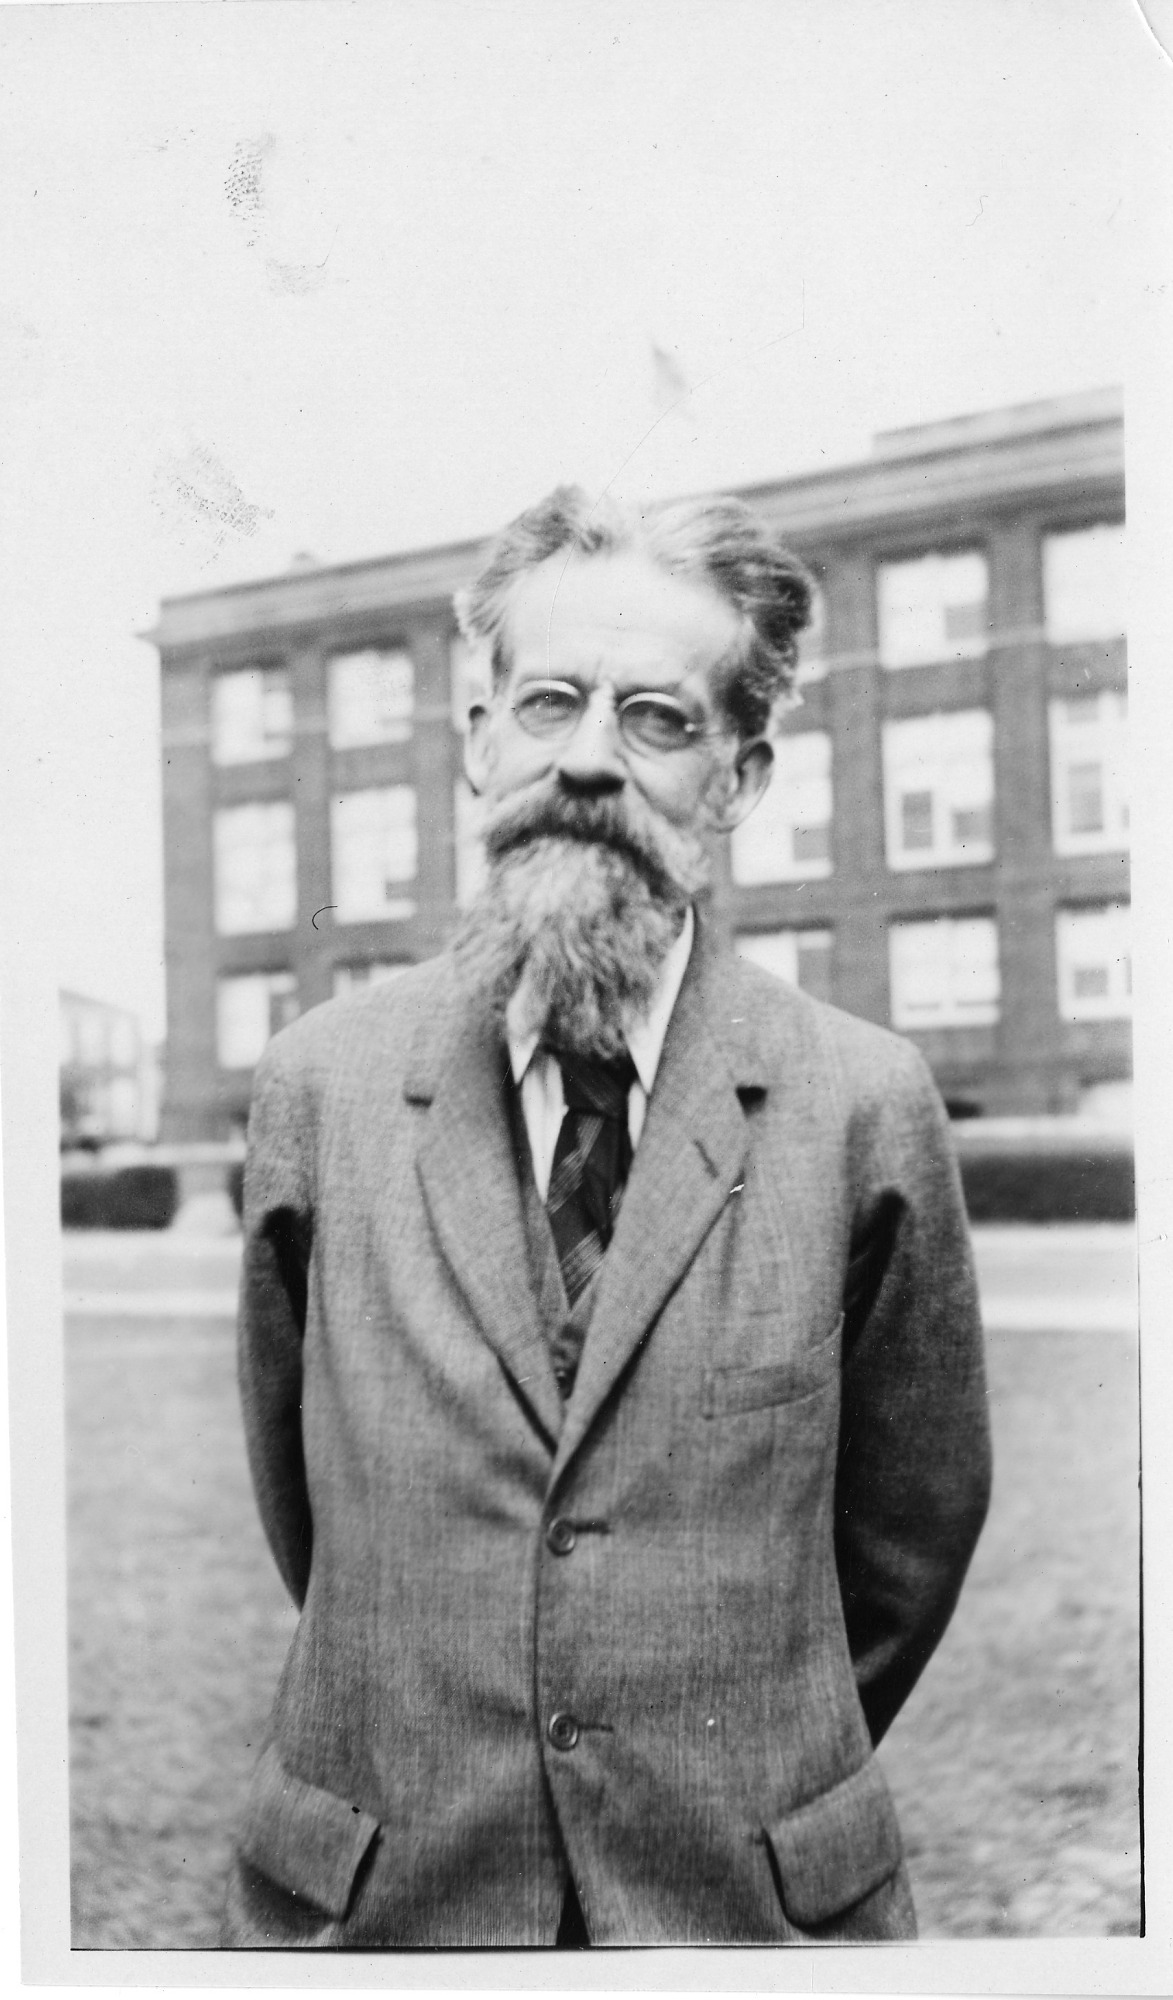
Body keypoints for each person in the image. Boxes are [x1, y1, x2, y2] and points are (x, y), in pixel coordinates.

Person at [222, 486, 992, 1949]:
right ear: (478, 741)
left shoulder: (862, 1102)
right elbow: (305, 1501)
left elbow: (910, 1532)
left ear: (738, 777)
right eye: (549, 702)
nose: (586, 757)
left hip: (736, 1919)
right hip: (390, 1912)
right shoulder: (318, 1087)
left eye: (654, 718)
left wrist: (728, 1755)